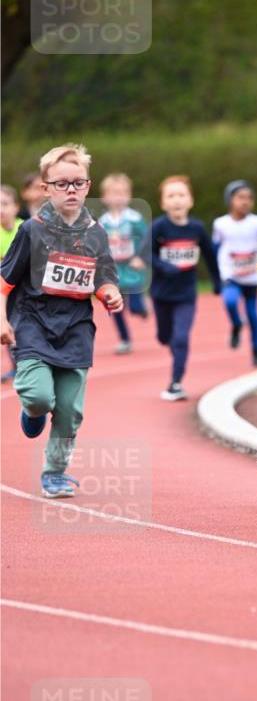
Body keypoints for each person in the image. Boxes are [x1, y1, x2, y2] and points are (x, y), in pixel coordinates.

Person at [0, 143, 123, 498]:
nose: (71, 190)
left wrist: (109, 292)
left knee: (69, 410)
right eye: (61, 184)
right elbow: (5, 281)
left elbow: (104, 276)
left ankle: (54, 472)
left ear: (87, 186)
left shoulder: (96, 233)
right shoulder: (32, 230)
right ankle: (34, 411)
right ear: (46, 188)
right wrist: (3, 321)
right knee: (40, 397)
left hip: (75, 328)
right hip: (33, 322)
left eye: (78, 183)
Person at [143, 175, 220, 401]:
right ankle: (170, 343)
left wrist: (217, 281)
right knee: (164, 337)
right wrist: (164, 266)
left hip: (186, 295)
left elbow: (210, 256)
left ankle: (175, 382)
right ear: (163, 203)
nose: (176, 200)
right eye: (171, 196)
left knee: (181, 338)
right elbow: (145, 253)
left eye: (181, 195)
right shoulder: (158, 227)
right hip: (161, 294)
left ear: (190, 200)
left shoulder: (197, 228)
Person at [212, 180, 257, 367]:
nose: (245, 202)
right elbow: (216, 246)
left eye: (249, 198)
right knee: (230, 301)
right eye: (240, 197)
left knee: (253, 315)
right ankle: (236, 324)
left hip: (251, 277)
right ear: (230, 200)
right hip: (231, 275)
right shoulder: (221, 224)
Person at [99, 172, 149, 354]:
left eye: (122, 193)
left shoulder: (135, 219)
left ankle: (141, 307)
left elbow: (147, 240)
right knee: (116, 307)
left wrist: (141, 258)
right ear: (104, 197)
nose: (118, 197)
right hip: (113, 272)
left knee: (134, 307)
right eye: (114, 193)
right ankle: (125, 339)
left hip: (132, 269)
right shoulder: (102, 222)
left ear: (129, 196)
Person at [1, 185, 22, 381]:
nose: (1, 209)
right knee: (7, 327)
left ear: (16, 207)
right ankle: (16, 366)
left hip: (26, 291)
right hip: (5, 293)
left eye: (5, 204)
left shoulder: (25, 229)